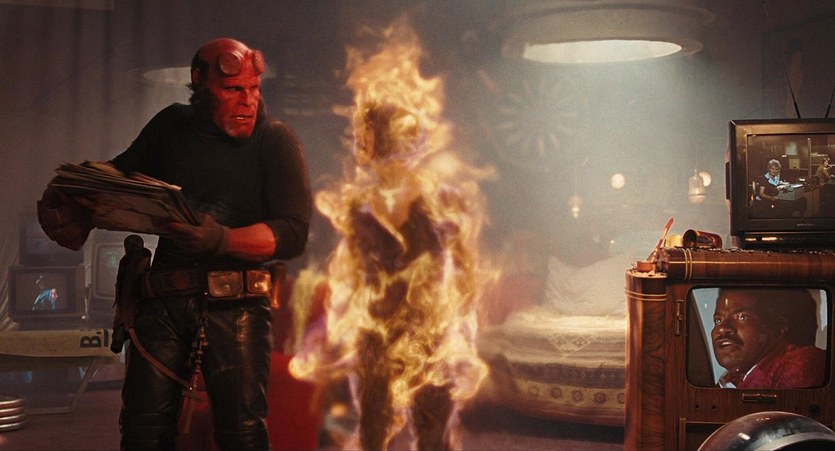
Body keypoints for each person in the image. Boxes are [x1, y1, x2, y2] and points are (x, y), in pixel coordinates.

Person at [37, 37, 311, 451]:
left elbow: (292, 232)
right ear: (198, 81)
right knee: (143, 431)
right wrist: (77, 192)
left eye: (254, 89)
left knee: (241, 434)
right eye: (233, 89)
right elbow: (123, 175)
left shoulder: (274, 140)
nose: (248, 101)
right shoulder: (171, 126)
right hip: (162, 302)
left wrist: (221, 239)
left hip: (234, 305)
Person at [711, 288, 826, 389]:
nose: (722, 328)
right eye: (718, 320)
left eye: (742, 317)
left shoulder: (802, 365)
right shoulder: (729, 379)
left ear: (777, 329)